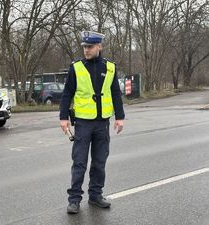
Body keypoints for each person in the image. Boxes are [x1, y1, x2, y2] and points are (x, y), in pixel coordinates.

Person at [60, 31, 125, 214]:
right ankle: (74, 200)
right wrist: (63, 118)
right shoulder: (77, 67)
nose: (86, 50)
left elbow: (115, 94)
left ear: (99, 46)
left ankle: (95, 196)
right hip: (82, 124)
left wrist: (120, 117)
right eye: (84, 47)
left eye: (90, 47)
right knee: (79, 162)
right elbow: (67, 94)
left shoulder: (110, 67)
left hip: (102, 123)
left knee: (99, 162)